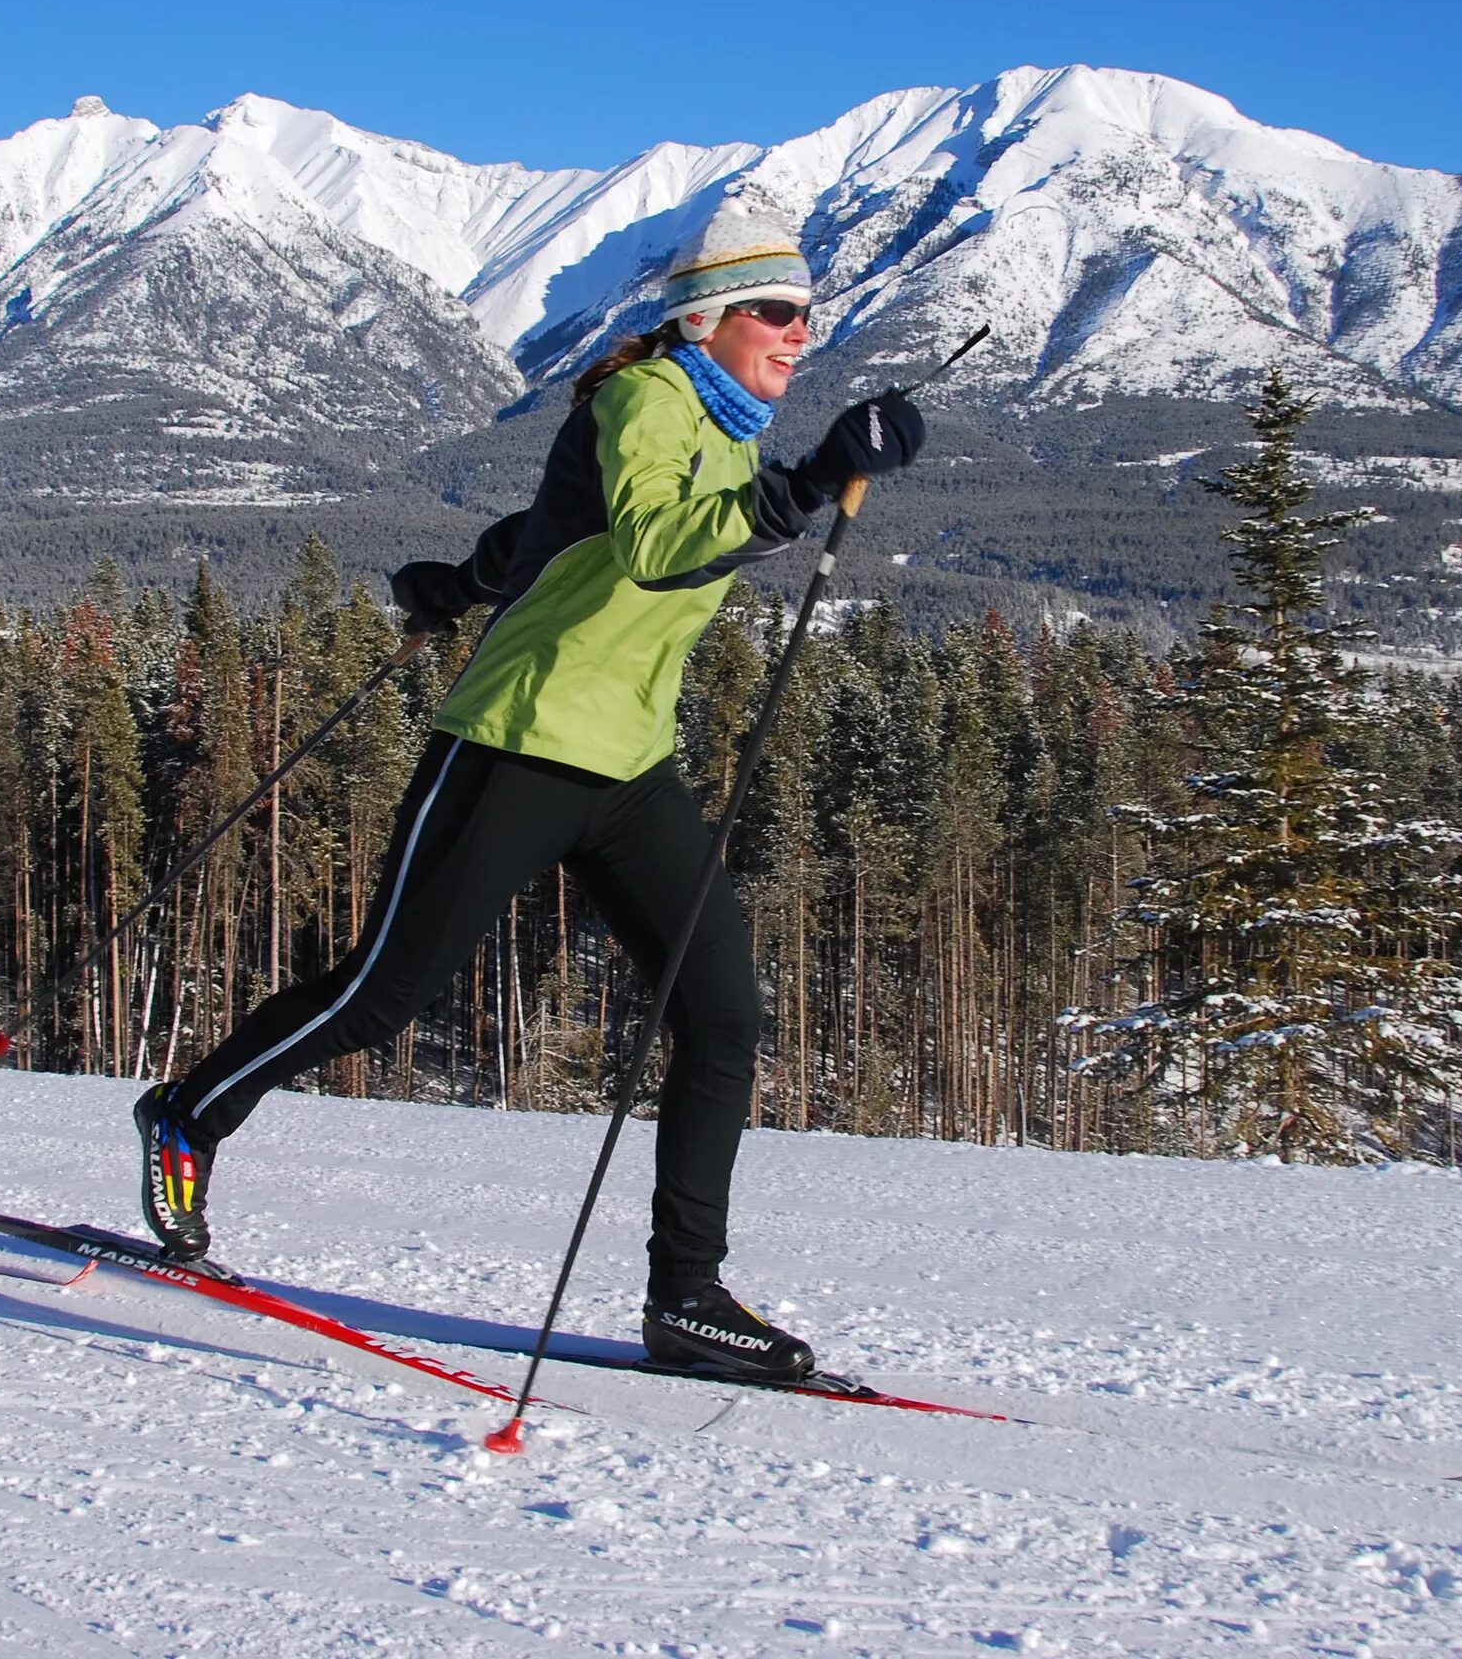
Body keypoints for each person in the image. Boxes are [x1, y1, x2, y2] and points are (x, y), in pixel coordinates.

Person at [134, 199, 924, 1380]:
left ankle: (687, 1297)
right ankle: (189, 1112)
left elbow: (560, 529)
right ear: (705, 317)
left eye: (808, 312)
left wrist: (459, 580)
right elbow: (658, 541)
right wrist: (814, 477)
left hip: (628, 765)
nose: (796, 330)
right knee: (379, 998)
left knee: (723, 1017)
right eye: (772, 308)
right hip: (514, 742)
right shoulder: (645, 397)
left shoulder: (723, 429)